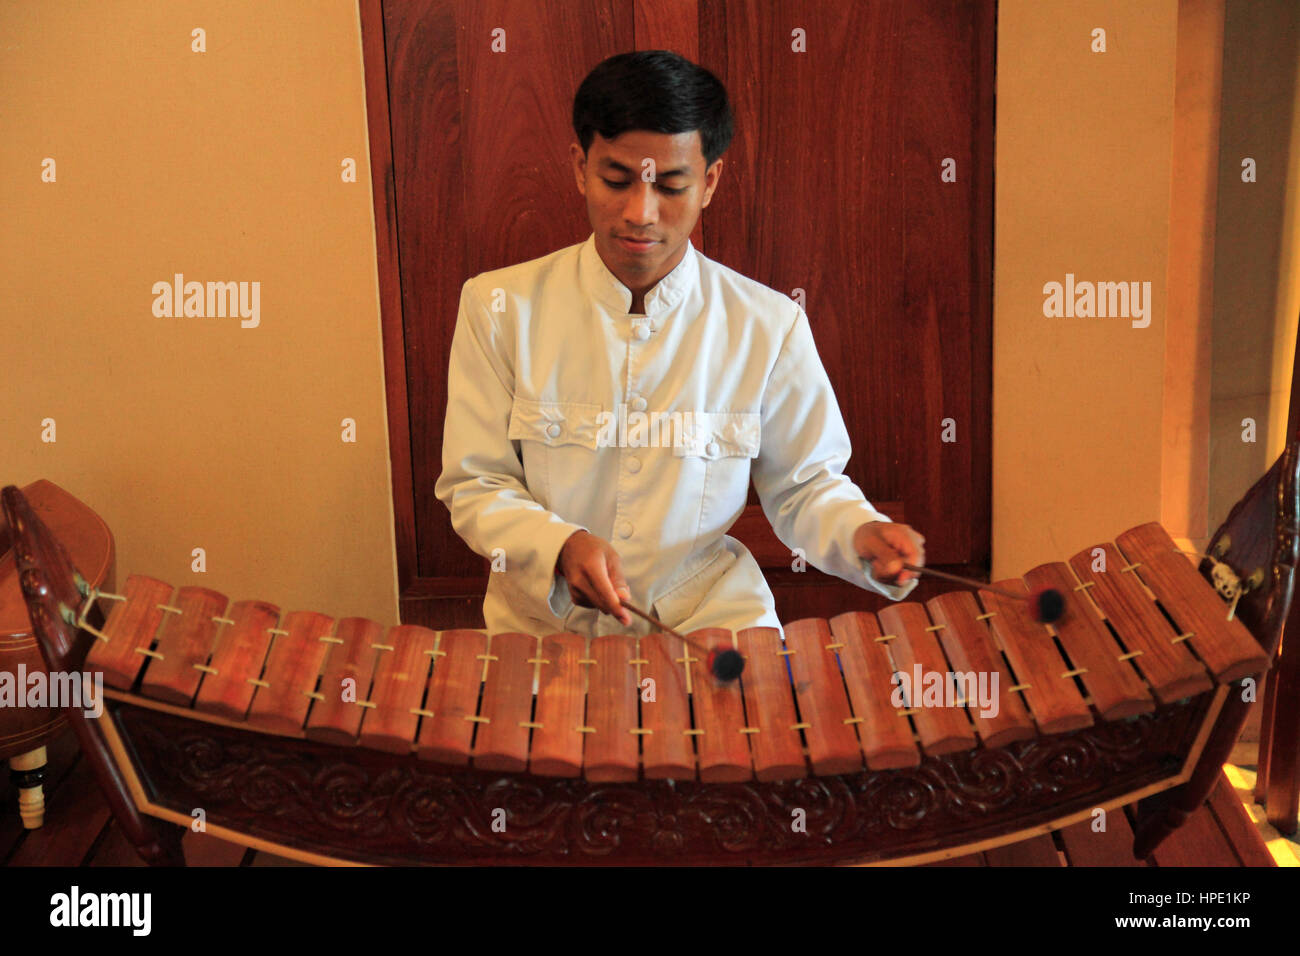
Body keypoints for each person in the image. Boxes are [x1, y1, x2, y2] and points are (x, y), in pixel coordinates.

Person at [435, 50, 925, 639]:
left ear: (710, 181)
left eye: (670, 185)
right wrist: (559, 546)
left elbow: (805, 487)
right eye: (616, 180)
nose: (641, 213)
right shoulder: (498, 308)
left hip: (713, 624)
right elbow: (475, 483)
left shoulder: (768, 324)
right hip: (544, 630)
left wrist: (860, 533)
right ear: (579, 167)